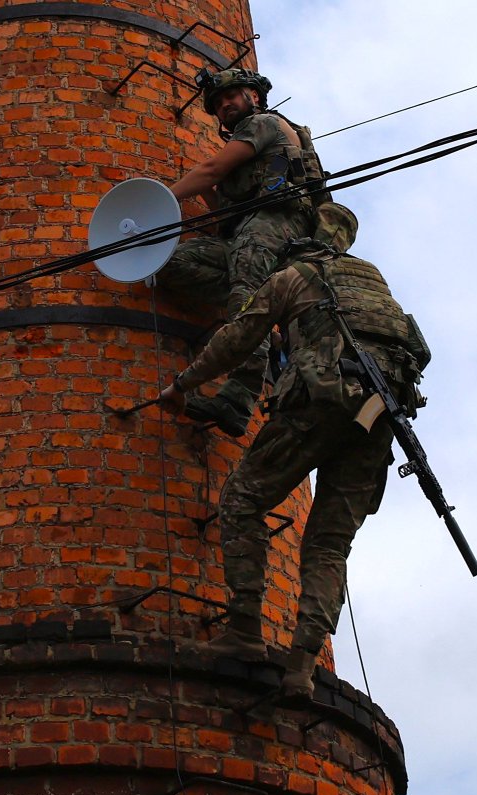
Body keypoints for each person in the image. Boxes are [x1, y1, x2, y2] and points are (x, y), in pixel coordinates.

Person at [157, 203, 430, 703]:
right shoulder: (374, 288)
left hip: (316, 407)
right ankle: (301, 668)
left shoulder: (295, 276)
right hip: (378, 420)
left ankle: (244, 631)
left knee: (242, 500)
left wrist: (183, 384)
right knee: (329, 546)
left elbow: (238, 338)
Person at [157, 68, 327, 438]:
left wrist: (159, 201)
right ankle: (263, 328)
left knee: (246, 297)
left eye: (231, 96)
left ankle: (237, 399)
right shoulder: (248, 148)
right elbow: (223, 203)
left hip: (277, 223)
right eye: (218, 103)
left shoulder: (263, 123)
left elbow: (211, 169)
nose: (224, 105)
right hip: (246, 231)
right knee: (173, 265)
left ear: (254, 96)